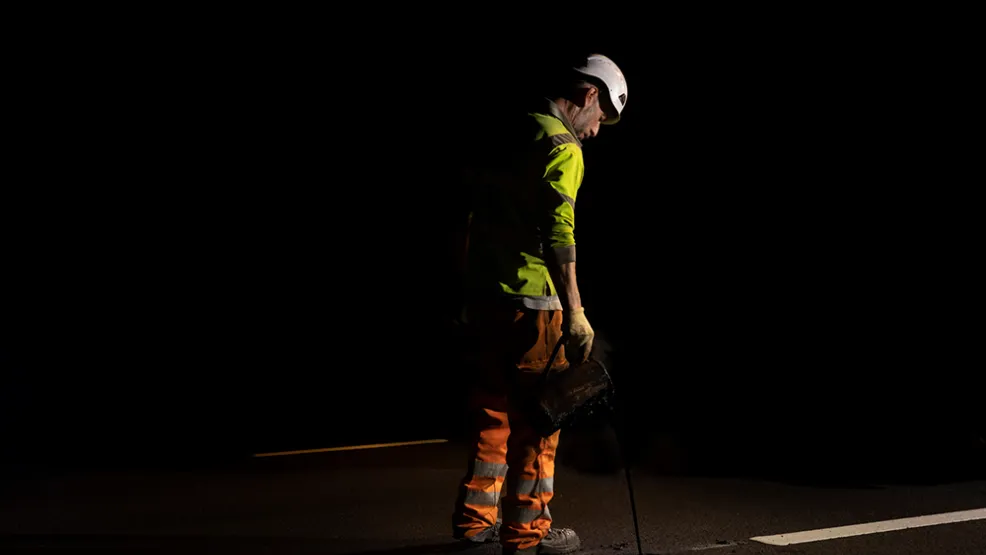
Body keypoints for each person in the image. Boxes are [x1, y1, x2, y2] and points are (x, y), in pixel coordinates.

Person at [449, 53, 629, 555]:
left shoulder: (514, 130)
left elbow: (472, 214)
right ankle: (527, 532)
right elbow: (559, 233)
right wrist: (574, 310)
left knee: (491, 413)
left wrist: (468, 291)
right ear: (589, 94)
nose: (597, 131)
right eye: (601, 119)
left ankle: (473, 521)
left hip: (487, 301)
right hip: (534, 307)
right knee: (538, 422)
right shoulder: (563, 147)